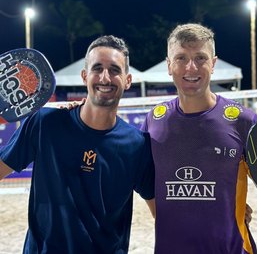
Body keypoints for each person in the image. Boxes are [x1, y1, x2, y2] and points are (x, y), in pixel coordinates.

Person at [141, 23, 257, 253]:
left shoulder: (243, 121)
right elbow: (145, 185)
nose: (191, 67)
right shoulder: (154, 121)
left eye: (200, 58)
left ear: (213, 63)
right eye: (181, 58)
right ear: (168, 65)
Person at [0, 35, 155, 254]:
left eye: (114, 70)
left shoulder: (137, 145)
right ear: (84, 76)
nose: (105, 77)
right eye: (97, 68)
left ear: (127, 80)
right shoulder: (45, 124)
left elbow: (161, 214)